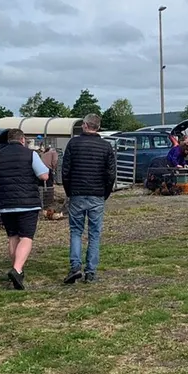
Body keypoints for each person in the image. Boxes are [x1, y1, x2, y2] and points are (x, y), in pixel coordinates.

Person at [0, 129, 49, 290]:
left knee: (13, 237)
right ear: (22, 140)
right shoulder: (30, 154)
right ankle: (17, 269)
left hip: (6, 203)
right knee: (26, 237)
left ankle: (17, 269)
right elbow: (44, 175)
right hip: (28, 203)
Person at [62, 113, 116, 284]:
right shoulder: (106, 147)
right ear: (98, 127)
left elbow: (65, 171)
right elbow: (111, 174)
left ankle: (75, 266)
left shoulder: (73, 143)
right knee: (94, 234)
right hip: (97, 194)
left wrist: (69, 191)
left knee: (76, 231)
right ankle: (91, 271)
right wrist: (105, 192)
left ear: (85, 125)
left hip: (77, 192)